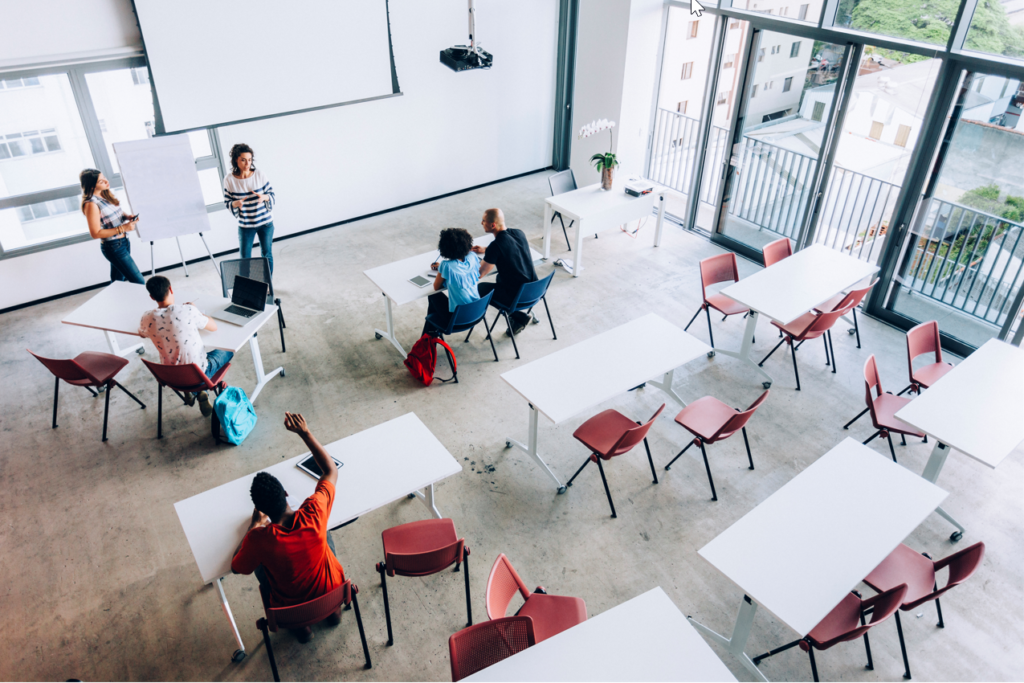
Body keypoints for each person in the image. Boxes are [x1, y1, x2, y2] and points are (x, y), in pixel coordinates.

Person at [231, 412, 345, 643]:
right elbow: (331, 471)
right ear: (285, 494)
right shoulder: (314, 510)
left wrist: (253, 526)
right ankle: (332, 613)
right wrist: (305, 432)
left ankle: (302, 628)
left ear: (260, 509)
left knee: (258, 565)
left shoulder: (259, 539)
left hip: (290, 611)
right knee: (325, 531)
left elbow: (237, 567)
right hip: (333, 592)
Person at [138, 275, 233, 417]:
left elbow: (142, 333)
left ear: (152, 297)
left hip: (172, 377)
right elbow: (213, 327)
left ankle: (190, 391)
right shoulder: (187, 310)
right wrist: (196, 311)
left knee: (183, 364)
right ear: (171, 289)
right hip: (198, 374)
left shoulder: (147, 317)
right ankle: (198, 390)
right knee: (228, 349)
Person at [474, 208, 538, 336]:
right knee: (496, 282)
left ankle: (517, 316)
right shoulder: (519, 233)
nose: (481, 223)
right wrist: (486, 249)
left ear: (493, 225)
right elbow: (509, 247)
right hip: (534, 290)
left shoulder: (496, 246)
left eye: (483, 221)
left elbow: (479, 274)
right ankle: (517, 316)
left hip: (517, 296)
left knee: (480, 289)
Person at [80, 169, 145, 285]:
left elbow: (114, 214)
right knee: (139, 282)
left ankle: (115, 301)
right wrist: (123, 228)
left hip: (123, 242)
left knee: (118, 282)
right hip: (114, 246)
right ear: (91, 187)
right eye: (101, 181)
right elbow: (95, 233)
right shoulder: (91, 204)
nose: (106, 181)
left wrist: (127, 217)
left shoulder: (104, 195)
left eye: (104, 177)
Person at [223, 143, 276, 273]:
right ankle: (247, 287)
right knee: (245, 258)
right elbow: (227, 201)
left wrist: (264, 197)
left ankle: (268, 285)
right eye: (243, 160)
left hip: (265, 223)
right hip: (245, 225)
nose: (247, 163)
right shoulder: (229, 179)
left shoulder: (259, 175)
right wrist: (236, 203)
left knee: (266, 254)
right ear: (236, 159)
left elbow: (272, 195)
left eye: (250, 159)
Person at [424, 228, 481, 336]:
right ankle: (429, 335)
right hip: (476, 312)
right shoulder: (473, 257)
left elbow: (436, 287)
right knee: (435, 303)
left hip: (457, 319)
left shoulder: (446, 265)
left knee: (433, 296)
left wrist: (442, 268)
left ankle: (428, 337)